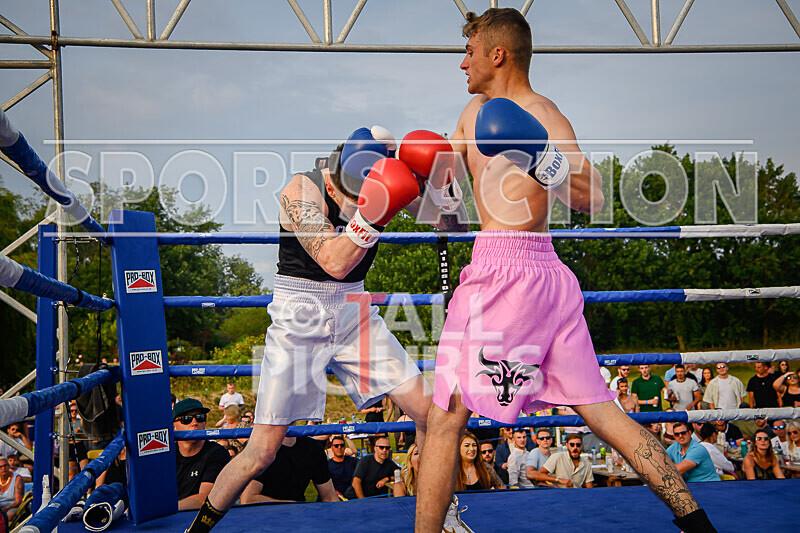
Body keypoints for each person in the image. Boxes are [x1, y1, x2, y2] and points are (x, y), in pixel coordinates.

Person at [415, 8, 715, 533]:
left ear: (497, 54)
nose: (462, 63)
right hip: (525, 272)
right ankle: (695, 521)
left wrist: (541, 159)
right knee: (602, 411)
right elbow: (452, 215)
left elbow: (594, 196)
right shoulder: (470, 113)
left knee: (443, 417)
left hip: (512, 276)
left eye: (469, 52)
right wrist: (428, 181)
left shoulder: (543, 115)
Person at [186, 131, 434, 532]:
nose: (352, 205)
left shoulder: (379, 170)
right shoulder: (301, 190)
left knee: (429, 412)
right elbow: (335, 261)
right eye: (349, 197)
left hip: (354, 311)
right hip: (298, 316)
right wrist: (372, 214)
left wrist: (431, 176)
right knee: (261, 450)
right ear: (334, 178)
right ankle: (195, 530)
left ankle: (438, 515)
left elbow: (443, 218)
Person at [241, 434, 337, 503]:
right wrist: (293, 507)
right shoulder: (258, 447)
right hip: (265, 521)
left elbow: (329, 497)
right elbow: (249, 499)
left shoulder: (312, 448)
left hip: (299, 520)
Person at [173, 399, 231, 510]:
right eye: (186, 419)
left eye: (200, 417)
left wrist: (165, 509)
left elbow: (205, 499)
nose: (194, 423)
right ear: (174, 425)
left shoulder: (217, 453)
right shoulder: (167, 456)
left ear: (205, 422)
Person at [0, 456, 23, 525]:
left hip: (13, 506)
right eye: (0, 467)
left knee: (7, 516)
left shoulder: (17, 478)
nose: (3, 468)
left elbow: (18, 501)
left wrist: (5, 508)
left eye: (5, 465)